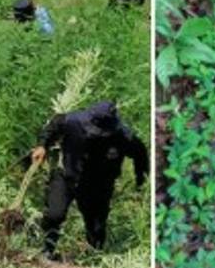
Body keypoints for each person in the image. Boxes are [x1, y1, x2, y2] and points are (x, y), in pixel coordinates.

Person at [30, 101, 147, 258]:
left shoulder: (122, 135)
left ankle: (93, 256)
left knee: (96, 228)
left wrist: (140, 181)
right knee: (54, 214)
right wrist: (42, 145)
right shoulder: (72, 121)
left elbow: (141, 154)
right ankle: (46, 250)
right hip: (68, 176)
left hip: (98, 185)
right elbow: (53, 127)